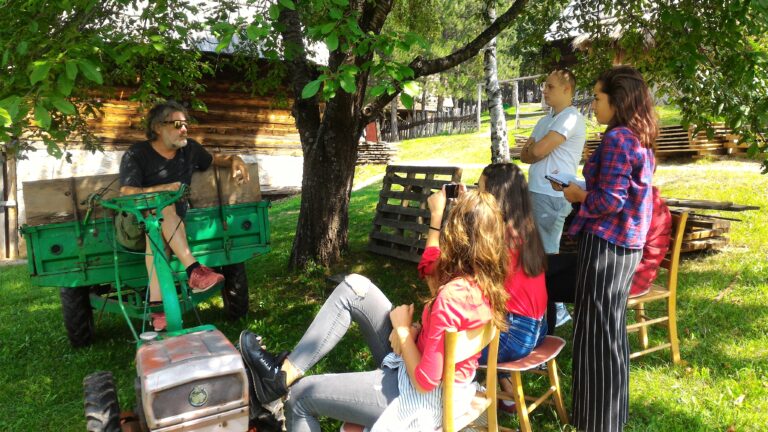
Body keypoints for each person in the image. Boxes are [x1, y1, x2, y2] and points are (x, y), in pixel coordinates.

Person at [240, 190, 509, 432]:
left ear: (456, 236)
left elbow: (425, 381)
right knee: (355, 287)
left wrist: (403, 332)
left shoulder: (451, 296)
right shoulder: (488, 285)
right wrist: (417, 332)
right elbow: (442, 330)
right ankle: (279, 376)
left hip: (419, 396)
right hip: (445, 383)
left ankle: (279, 383)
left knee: (300, 396)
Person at [553, 65, 657, 432]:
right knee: (609, 331)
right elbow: (620, 193)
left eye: (598, 98)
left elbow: (609, 201)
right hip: (625, 246)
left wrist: (578, 194)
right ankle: (609, 418)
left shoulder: (617, 139)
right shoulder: (638, 137)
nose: (593, 105)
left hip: (607, 246)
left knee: (595, 333)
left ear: (618, 101)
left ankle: (596, 423)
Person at [417, 163, 548, 412]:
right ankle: (506, 391)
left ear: (495, 197)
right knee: (485, 311)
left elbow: (430, 269)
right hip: (538, 329)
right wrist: (470, 210)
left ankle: (459, 400)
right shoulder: (522, 228)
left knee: (428, 345)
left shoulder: (494, 240)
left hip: (513, 337)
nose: (476, 192)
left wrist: (436, 219)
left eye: (481, 189)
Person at [119, 100, 250, 331]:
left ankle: (158, 309)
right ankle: (194, 270)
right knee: (162, 209)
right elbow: (126, 192)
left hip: (167, 226)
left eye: (186, 124)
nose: (185, 129)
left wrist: (233, 159)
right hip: (136, 223)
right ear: (158, 127)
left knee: (157, 235)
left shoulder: (189, 150)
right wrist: (162, 189)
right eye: (178, 124)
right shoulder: (137, 153)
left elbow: (213, 160)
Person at [520, 69, 586, 328]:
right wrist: (534, 151)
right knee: (536, 250)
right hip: (537, 191)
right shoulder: (546, 119)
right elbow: (526, 153)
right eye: (544, 86)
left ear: (567, 89)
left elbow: (536, 150)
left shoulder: (570, 117)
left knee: (546, 253)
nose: (544, 91)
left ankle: (555, 310)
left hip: (552, 195)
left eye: (550, 86)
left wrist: (535, 150)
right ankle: (545, 306)